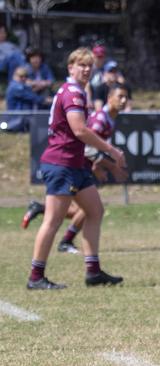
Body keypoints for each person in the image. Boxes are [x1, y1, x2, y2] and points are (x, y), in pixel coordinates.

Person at [26, 47, 126, 290]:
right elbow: (80, 130)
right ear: (70, 67)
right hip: (62, 164)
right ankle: (35, 276)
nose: (86, 69)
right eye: (81, 65)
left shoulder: (76, 91)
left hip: (74, 164)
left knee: (94, 211)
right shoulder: (73, 92)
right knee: (52, 220)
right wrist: (111, 151)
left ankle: (93, 272)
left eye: (89, 65)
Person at [21, 84, 130, 256]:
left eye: (126, 97)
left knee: (89, 210)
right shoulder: (101, 118)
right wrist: (105, 165)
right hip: (76, 166)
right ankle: (63, 245)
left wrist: (100, 164)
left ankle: (44, 214)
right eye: (120, 96)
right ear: (109, 97)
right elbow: (86, 145)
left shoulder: (110, 117)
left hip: (82, 166)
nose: (123, 101)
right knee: (80, 212)